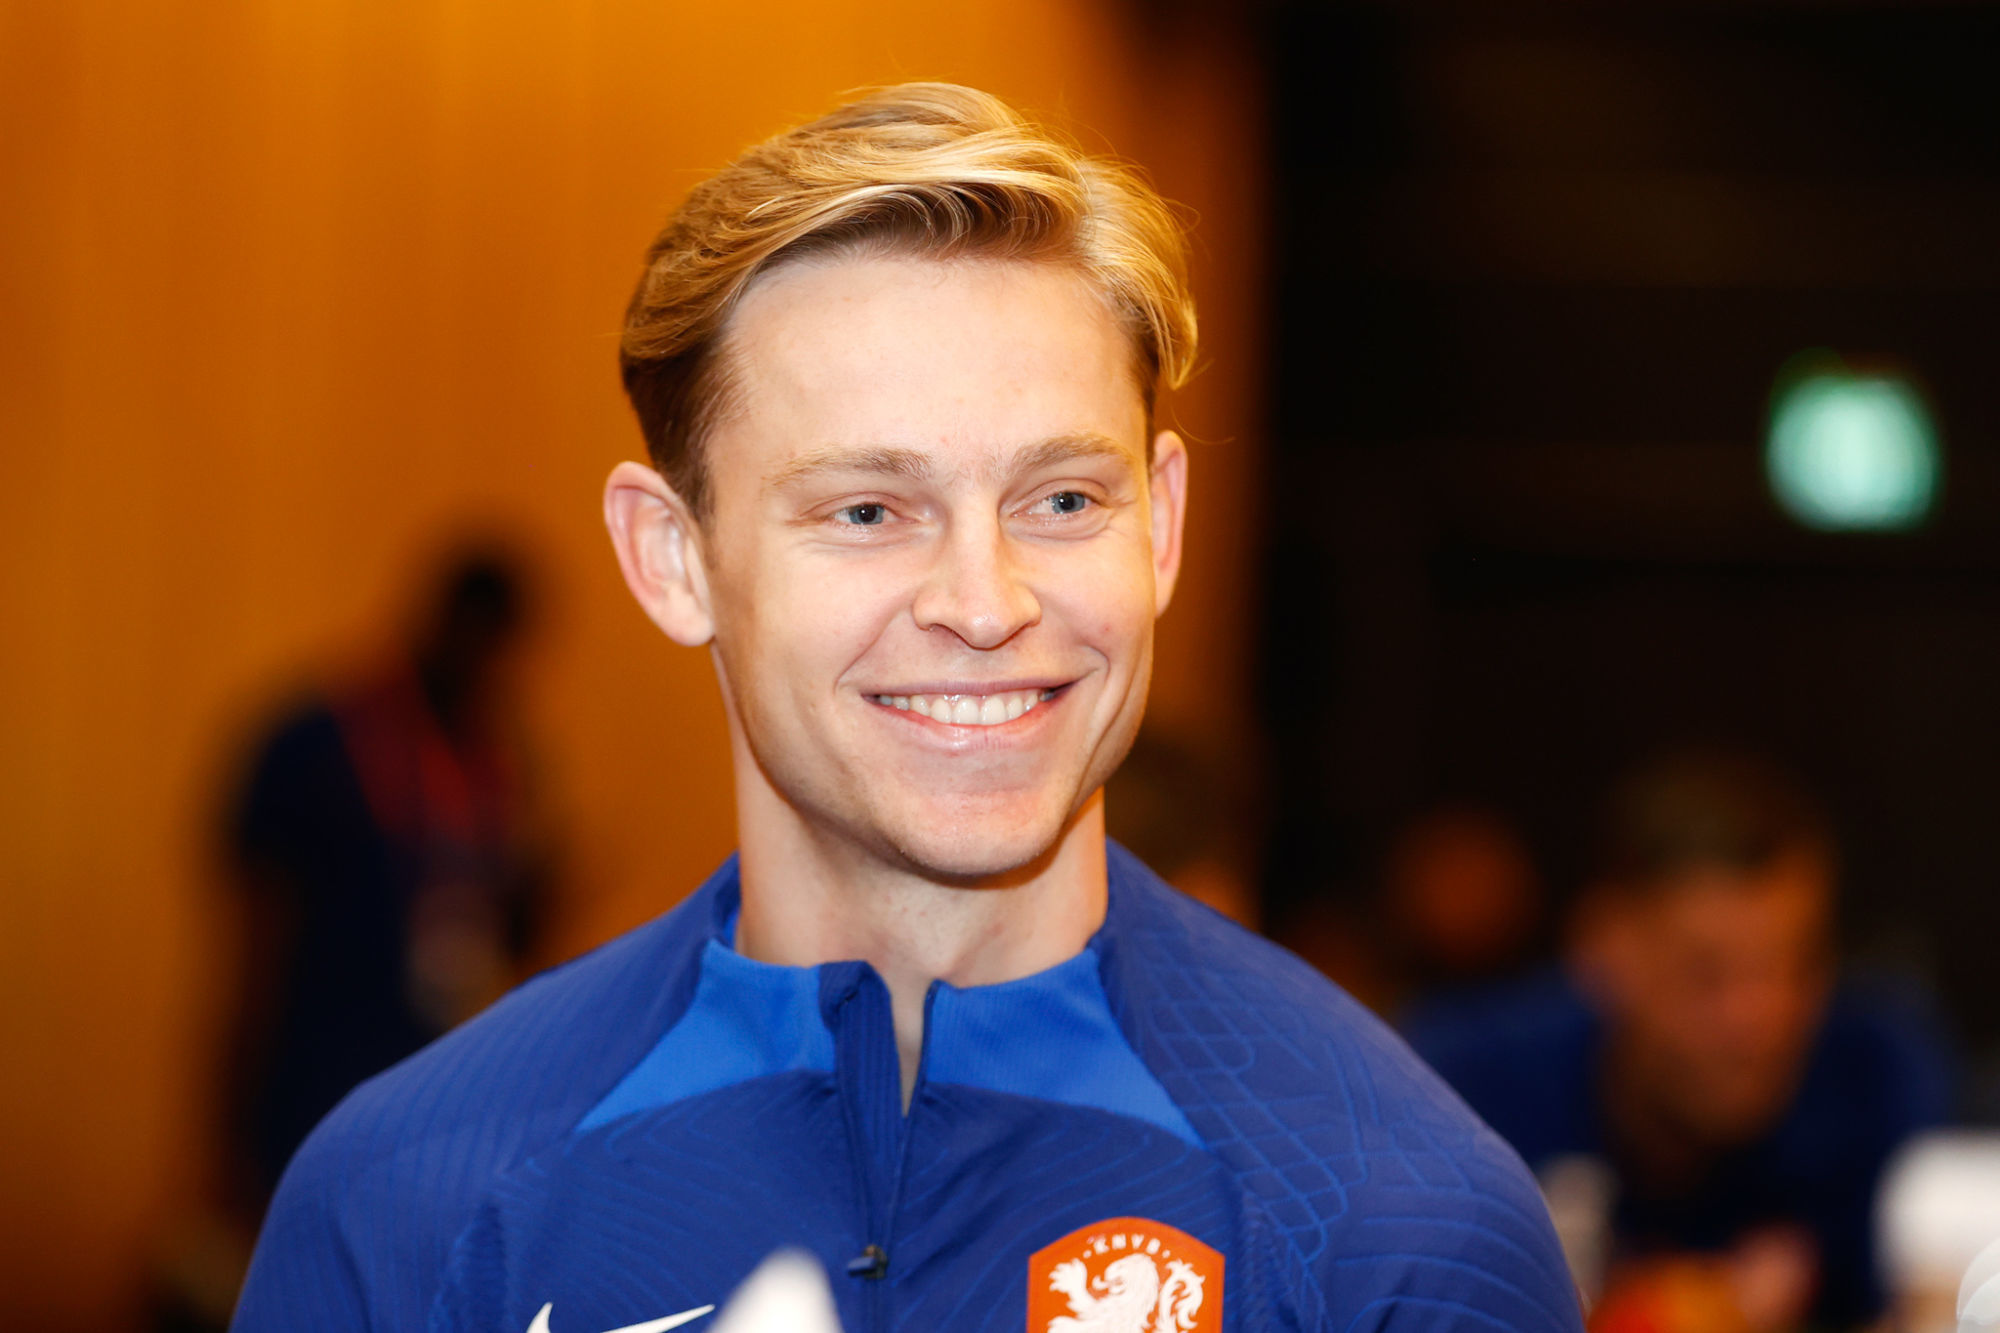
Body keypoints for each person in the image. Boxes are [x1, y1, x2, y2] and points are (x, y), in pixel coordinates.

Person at [232, 84, 1581, 1333]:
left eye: (1063, 498)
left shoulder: (1400, 1227)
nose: (984, 603)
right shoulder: (409, 1201)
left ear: (1161, 526)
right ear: (673, 559)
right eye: (868, 511)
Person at [1407, 750, 1953, 1331]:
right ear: (1605, 949)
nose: (1758, 1016)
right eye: (1706, 973)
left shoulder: (1876, 1078)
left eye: (1795, 966)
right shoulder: (1462, 1092)